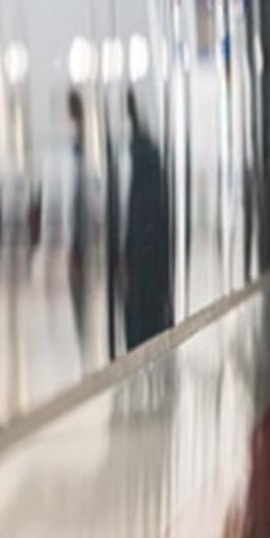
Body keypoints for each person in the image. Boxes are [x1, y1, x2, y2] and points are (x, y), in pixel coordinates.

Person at [122, 89, 174, 349]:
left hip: (142, 252)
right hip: (153, 250)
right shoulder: (149, 149)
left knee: (141, 315)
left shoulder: (134, 153)